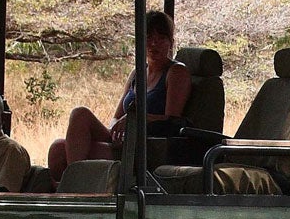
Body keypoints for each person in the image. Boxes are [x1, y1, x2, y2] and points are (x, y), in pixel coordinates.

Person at [49, 9, 194, 184]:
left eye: (161, 38)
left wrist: (135, 120)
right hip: (123, 139)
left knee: (77, 151)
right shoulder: (137, 73)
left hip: (145, 145)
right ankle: (67, 191)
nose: (154, 44)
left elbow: (172, 121)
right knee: (63, 140)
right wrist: (116, 131)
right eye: (149, 38)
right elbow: (117, 116)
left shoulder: (176, 72)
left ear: (170, 42)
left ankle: (77, 186)